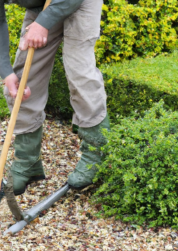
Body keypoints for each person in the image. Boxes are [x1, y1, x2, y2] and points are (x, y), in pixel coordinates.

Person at [0, 0, 110, 196]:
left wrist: (43, 23)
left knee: (79, 71)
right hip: (42, 4)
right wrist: (6, 73)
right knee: (24, 76)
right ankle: (27, 161)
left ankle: (96, 153)